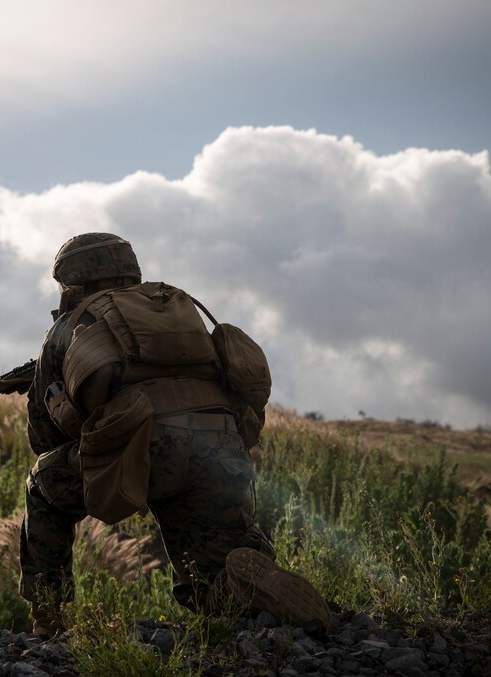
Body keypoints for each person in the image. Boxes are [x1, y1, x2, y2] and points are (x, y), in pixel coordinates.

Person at [19, 232, 330, 635]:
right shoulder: (176, 308)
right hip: (221, 446)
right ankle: (253, 594)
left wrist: (63, 400)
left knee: (42, 484)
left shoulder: (70, 326)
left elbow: (46, 440)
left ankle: (49, 615)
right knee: (206, 585)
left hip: (143, 448)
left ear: (71, 281)